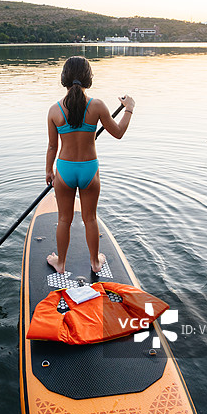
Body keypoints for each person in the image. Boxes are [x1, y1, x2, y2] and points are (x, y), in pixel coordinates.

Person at [45, 56, 135, 275]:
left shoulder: (54, 110)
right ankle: (95, 263)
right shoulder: (97, 105)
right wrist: (129, 108)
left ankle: (61, 263)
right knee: (90, 218)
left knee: (63, 219)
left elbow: (51, 147)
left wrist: (49, 171)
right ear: (88, 78)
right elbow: (119, 133)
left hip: (65, 171)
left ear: (64, 78)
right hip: (89, 170)